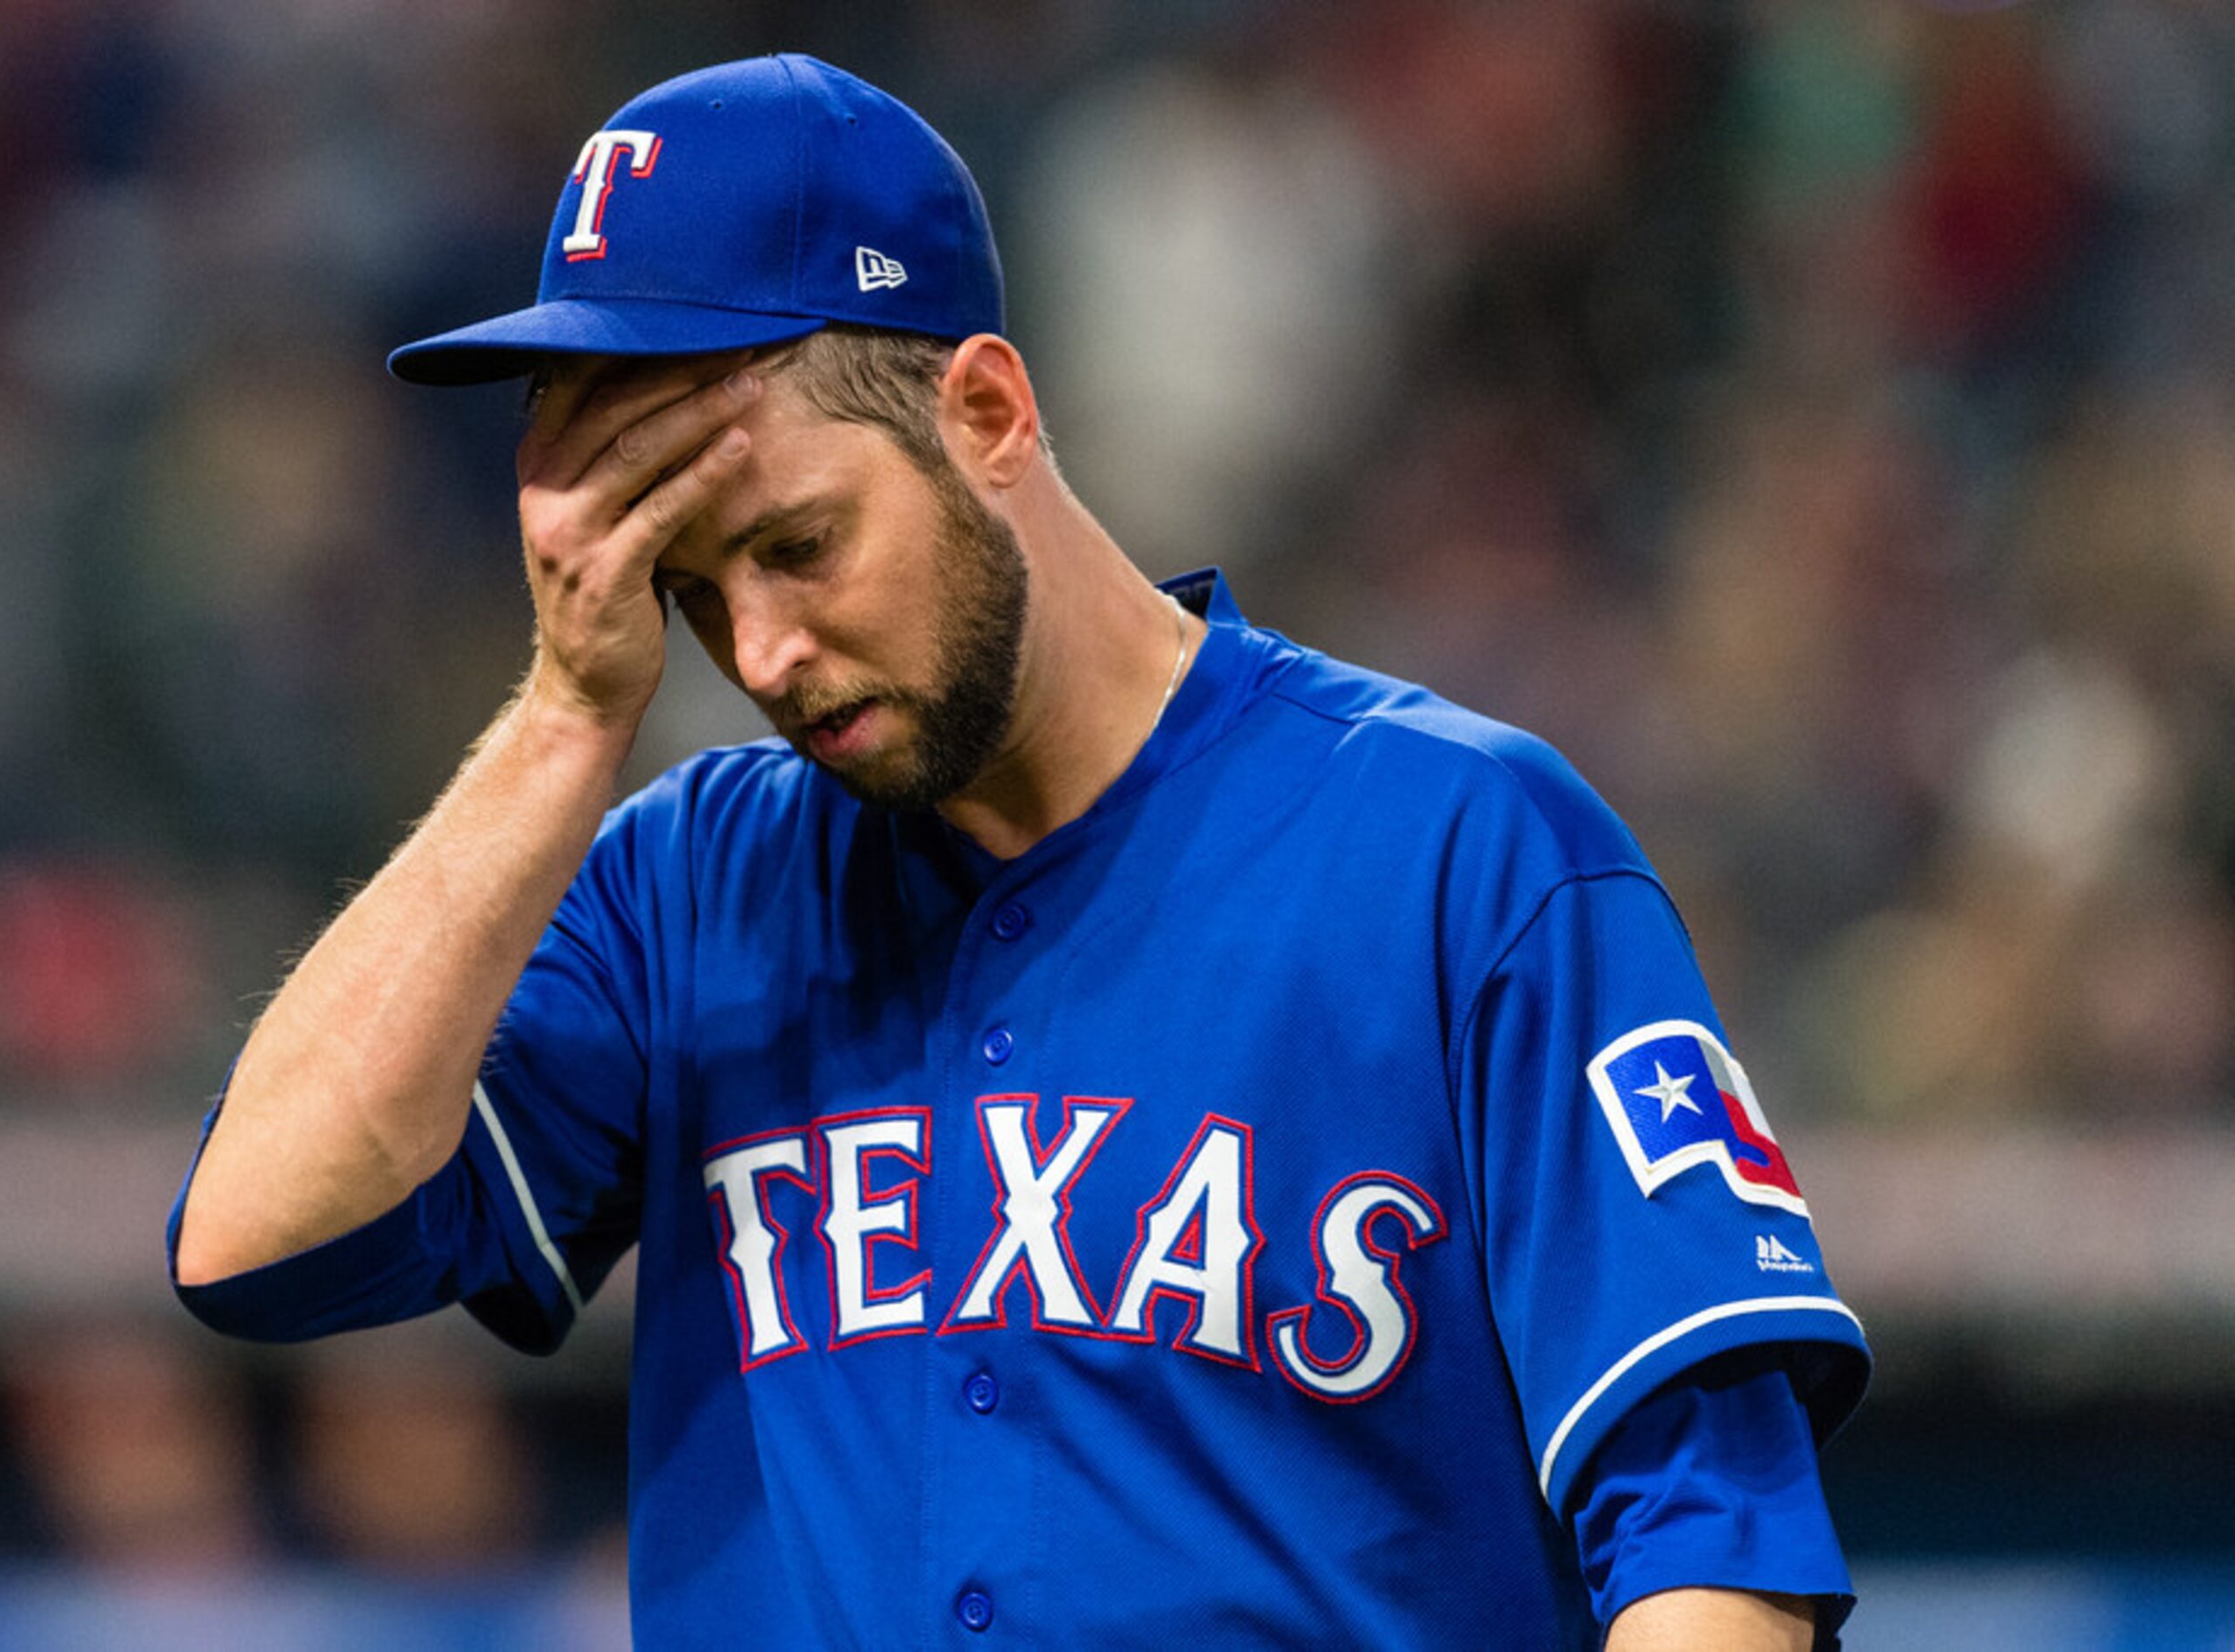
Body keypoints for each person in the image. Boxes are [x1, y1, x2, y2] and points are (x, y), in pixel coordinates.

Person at [170, 53, 1870, 1648]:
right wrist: (559, 716)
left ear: (985, 411)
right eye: (690, 591)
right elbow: (261, 1236)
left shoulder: (1461, 849)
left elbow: (1714, 1527)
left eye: (800, 543)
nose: (757, 654)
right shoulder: (681, 887)